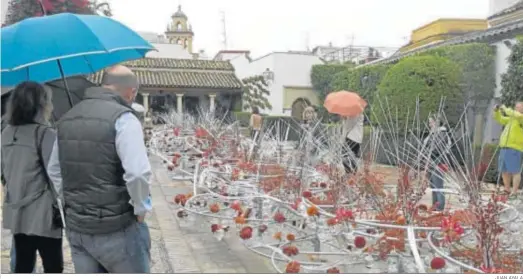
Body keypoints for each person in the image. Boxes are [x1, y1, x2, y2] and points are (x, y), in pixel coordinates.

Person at [47, 65, 152, 273]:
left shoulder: (66, 119)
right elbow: (138, 173)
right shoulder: (124, 119)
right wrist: (141, 208)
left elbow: (54, 170)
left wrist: (73, 201)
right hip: (117, 229)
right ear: (131, 92)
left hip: (78, 229)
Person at [1, 81, 63, 273]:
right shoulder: (46, 134)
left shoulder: (6, 133)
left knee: (23, 265)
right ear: (41, 105)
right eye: (49, 101)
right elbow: (56, 176)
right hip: (43, 213)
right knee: (53, 266)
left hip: (17, 210)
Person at [493, 103, 523, 198]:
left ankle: (514, 192)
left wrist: (505, 108)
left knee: (515, 171)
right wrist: (496, 111)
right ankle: (507, 189)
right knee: (504, 170)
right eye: (516, 107)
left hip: (514, 148)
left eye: (519, 107)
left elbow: (516, 114)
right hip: (504, 147)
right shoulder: (511, 119)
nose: (516, 108)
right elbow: (500, 119)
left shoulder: (520, 118)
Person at [422, 117, 452, 211]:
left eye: (431, 122)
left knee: (438, 187)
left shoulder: (442, 134)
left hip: (438, 163)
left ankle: (439, 207)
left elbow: (436, 149)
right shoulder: (433, 134)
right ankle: (435, 206)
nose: (430, 124)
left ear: (437, 122)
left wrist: (427, 154)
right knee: (433, 187)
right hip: (432, 163)